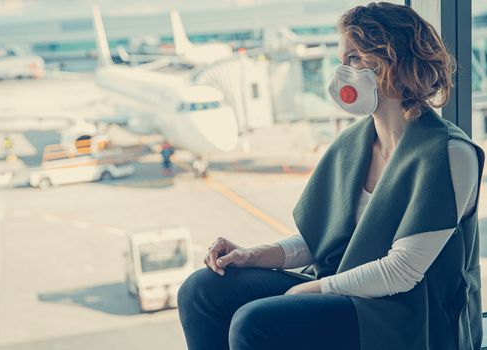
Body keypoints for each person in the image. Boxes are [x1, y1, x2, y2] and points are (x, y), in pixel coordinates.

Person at [177, 3, 485, 350]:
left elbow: (401, 272)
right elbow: (320, 239)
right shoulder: (352, 144)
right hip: (344, 289)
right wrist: (252, 254)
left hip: (407, 314)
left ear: (392, 62)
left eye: (353, 59)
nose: (342, 72)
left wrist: (314, 288)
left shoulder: (449, 155)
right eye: (342, 60)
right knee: (201, 291)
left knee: (255, 324)